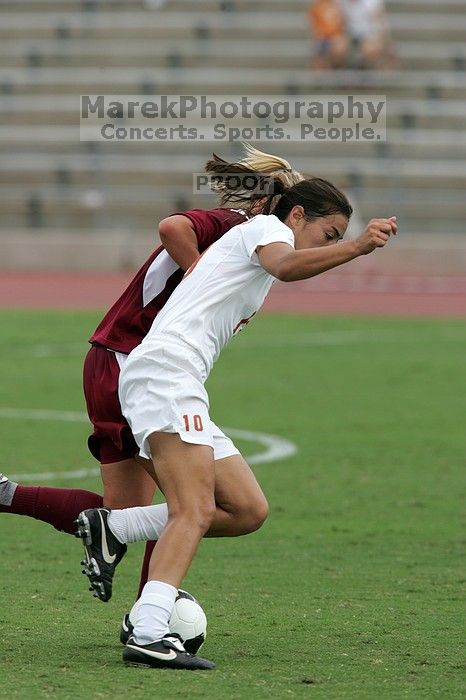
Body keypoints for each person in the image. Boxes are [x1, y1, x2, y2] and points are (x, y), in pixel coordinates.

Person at [75, 178, 397, 670]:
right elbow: (286, 266)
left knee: (247, 508)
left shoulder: (261, 238)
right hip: (165, 375)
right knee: (195, 509)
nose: (330, 245)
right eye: (327, 234)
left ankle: (115, 525)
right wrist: (355, 248)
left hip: (178, 380)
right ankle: (147, 631)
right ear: (295, 217)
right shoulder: (265, 229)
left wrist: (343, 246)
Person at [0, 145, 304, 616]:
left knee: (129, 515)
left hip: (115, 361)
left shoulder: (245, 243)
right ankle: (150, 616)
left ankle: (6, 495)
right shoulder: (237, 229)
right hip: (132, 360)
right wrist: (200, 272)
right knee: (191, 503)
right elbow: (172, 226)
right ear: (273, 206)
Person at [308, 0, 348, 69]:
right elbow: (313, 25)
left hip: (335, 38)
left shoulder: (337, 5)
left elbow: (342, 24)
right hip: (321, 37)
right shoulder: (317, 6)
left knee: (339, 48)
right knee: (320, 57)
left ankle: (337, 70)